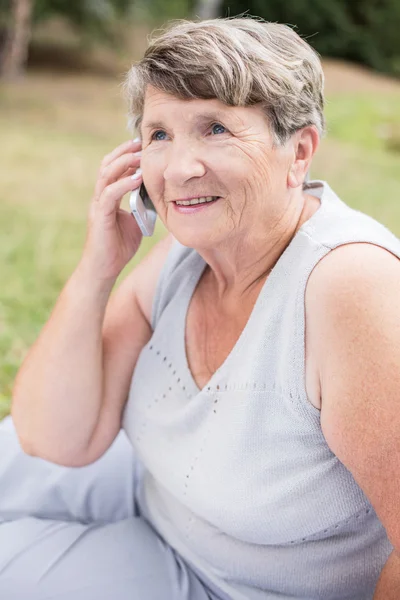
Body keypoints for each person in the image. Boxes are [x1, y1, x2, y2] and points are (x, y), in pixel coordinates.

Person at [1, 16, 400, 600]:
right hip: (157, 496)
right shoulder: (188, 255)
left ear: (299, 151)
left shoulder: (353, 288)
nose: (179, 169)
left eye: (215, 128)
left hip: (235, 584)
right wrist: (98, 268)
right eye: (159, 134)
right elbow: (55, 437)